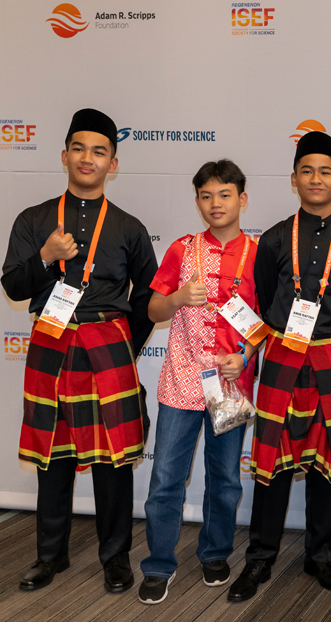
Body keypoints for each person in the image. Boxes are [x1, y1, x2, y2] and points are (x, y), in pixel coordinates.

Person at [2, 108, 158, 593]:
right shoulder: (34, 219)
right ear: (64, 155)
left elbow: (148, 296)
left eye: (99, 151)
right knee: (52, 456)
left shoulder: (129, 226)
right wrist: (46, 257)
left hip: (106, 345)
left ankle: (116, 558)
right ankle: (51, 556)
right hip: (51, 343)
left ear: (113, 163)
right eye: (79, 148)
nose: (87, 158)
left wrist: (120, 343)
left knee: (114, 460)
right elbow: (12, 284)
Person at [226, 131, 331, 601]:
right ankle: (259, 559)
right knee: (270, 462)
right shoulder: (272, 239)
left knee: (326, 462)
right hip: (282, 357)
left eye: (325, 171)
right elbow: (262, 297)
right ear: (294, 180)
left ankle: (320, 557)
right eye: (307, 171)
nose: (316, 179)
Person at [138, 160, 261, 604]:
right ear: (197, 201)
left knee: (225, 477)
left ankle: (214, 552)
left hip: (229, 386)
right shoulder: (180, 249)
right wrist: (174, 298)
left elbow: (265, 321)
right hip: (180, 382)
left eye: (225, 195)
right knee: (166, 478)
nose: (216, 204)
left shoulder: (258, 253)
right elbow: (152, 311)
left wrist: (243, 356)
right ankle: (158, 565)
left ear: (242, 199)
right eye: (206, 196)